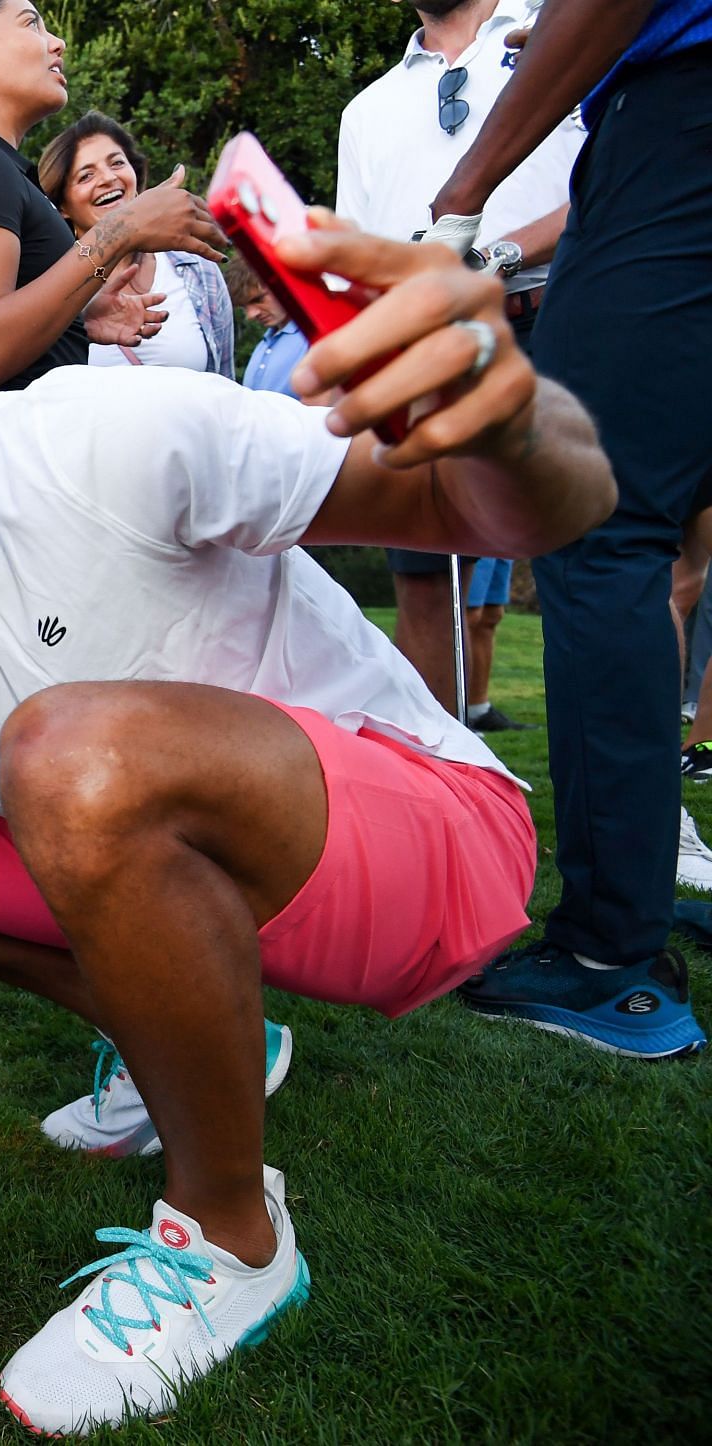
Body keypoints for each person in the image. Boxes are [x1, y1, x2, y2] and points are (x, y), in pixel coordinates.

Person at [0, 214, 616, 1432]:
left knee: (61, 748)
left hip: (429, 844)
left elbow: (516, 514)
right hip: (221, 882)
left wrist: (508, 424)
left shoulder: (73, 436)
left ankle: (233, 1242)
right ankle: (196, 1052)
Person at [424, 0, 712, 1055]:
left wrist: (462, 197)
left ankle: (607, 956)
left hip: (681, 130)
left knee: (598, 528)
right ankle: (636, 892)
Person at [337, 0, 578, 726]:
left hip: (558, 319)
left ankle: (646, 815)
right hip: (427, 350)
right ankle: (448, 797)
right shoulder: (368, 108)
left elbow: (609, 190)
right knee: (425, 579)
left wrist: (493, 254)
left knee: (602, 563)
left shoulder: (557, 32)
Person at [0, 0, 226, 438]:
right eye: (32, 24)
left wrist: (76, 323)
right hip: (0, 464)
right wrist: (123, 230)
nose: (57, 43)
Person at [40, 109, 236, 378]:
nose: (108, 178)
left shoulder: (196, 268)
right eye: (86, 176)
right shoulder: (48, 283)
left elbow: (225, 383)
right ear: (62, 206)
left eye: (117, 163)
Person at [226, 256, 309, 400]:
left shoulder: (314, 338)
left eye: (258, 300)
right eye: (244, 307)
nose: (251, 315)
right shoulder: (263, 344)